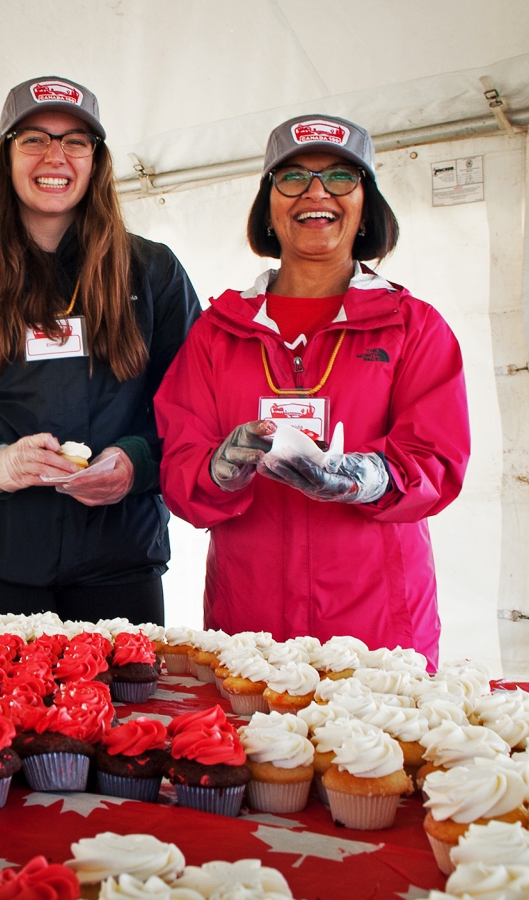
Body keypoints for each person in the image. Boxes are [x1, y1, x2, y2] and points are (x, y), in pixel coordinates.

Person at [154, 114, 469, 666]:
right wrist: (218, 469)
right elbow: (180, 466)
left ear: (367, 204)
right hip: (248, 635)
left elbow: (437, 462)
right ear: (268, 206)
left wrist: (366, 476)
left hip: (380, 632)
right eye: (293, 177)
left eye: (341, 177)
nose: (316, 192)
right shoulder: (217, 331)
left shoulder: (413, 326)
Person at [0, 76, 200, 625]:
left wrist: (137, 462)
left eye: (76, 141)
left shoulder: (153, 272)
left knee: (119, 712)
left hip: (119, 568)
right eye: (34, 138)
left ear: (97, 160)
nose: (56, 156)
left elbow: (196, 411)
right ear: (6, 155)